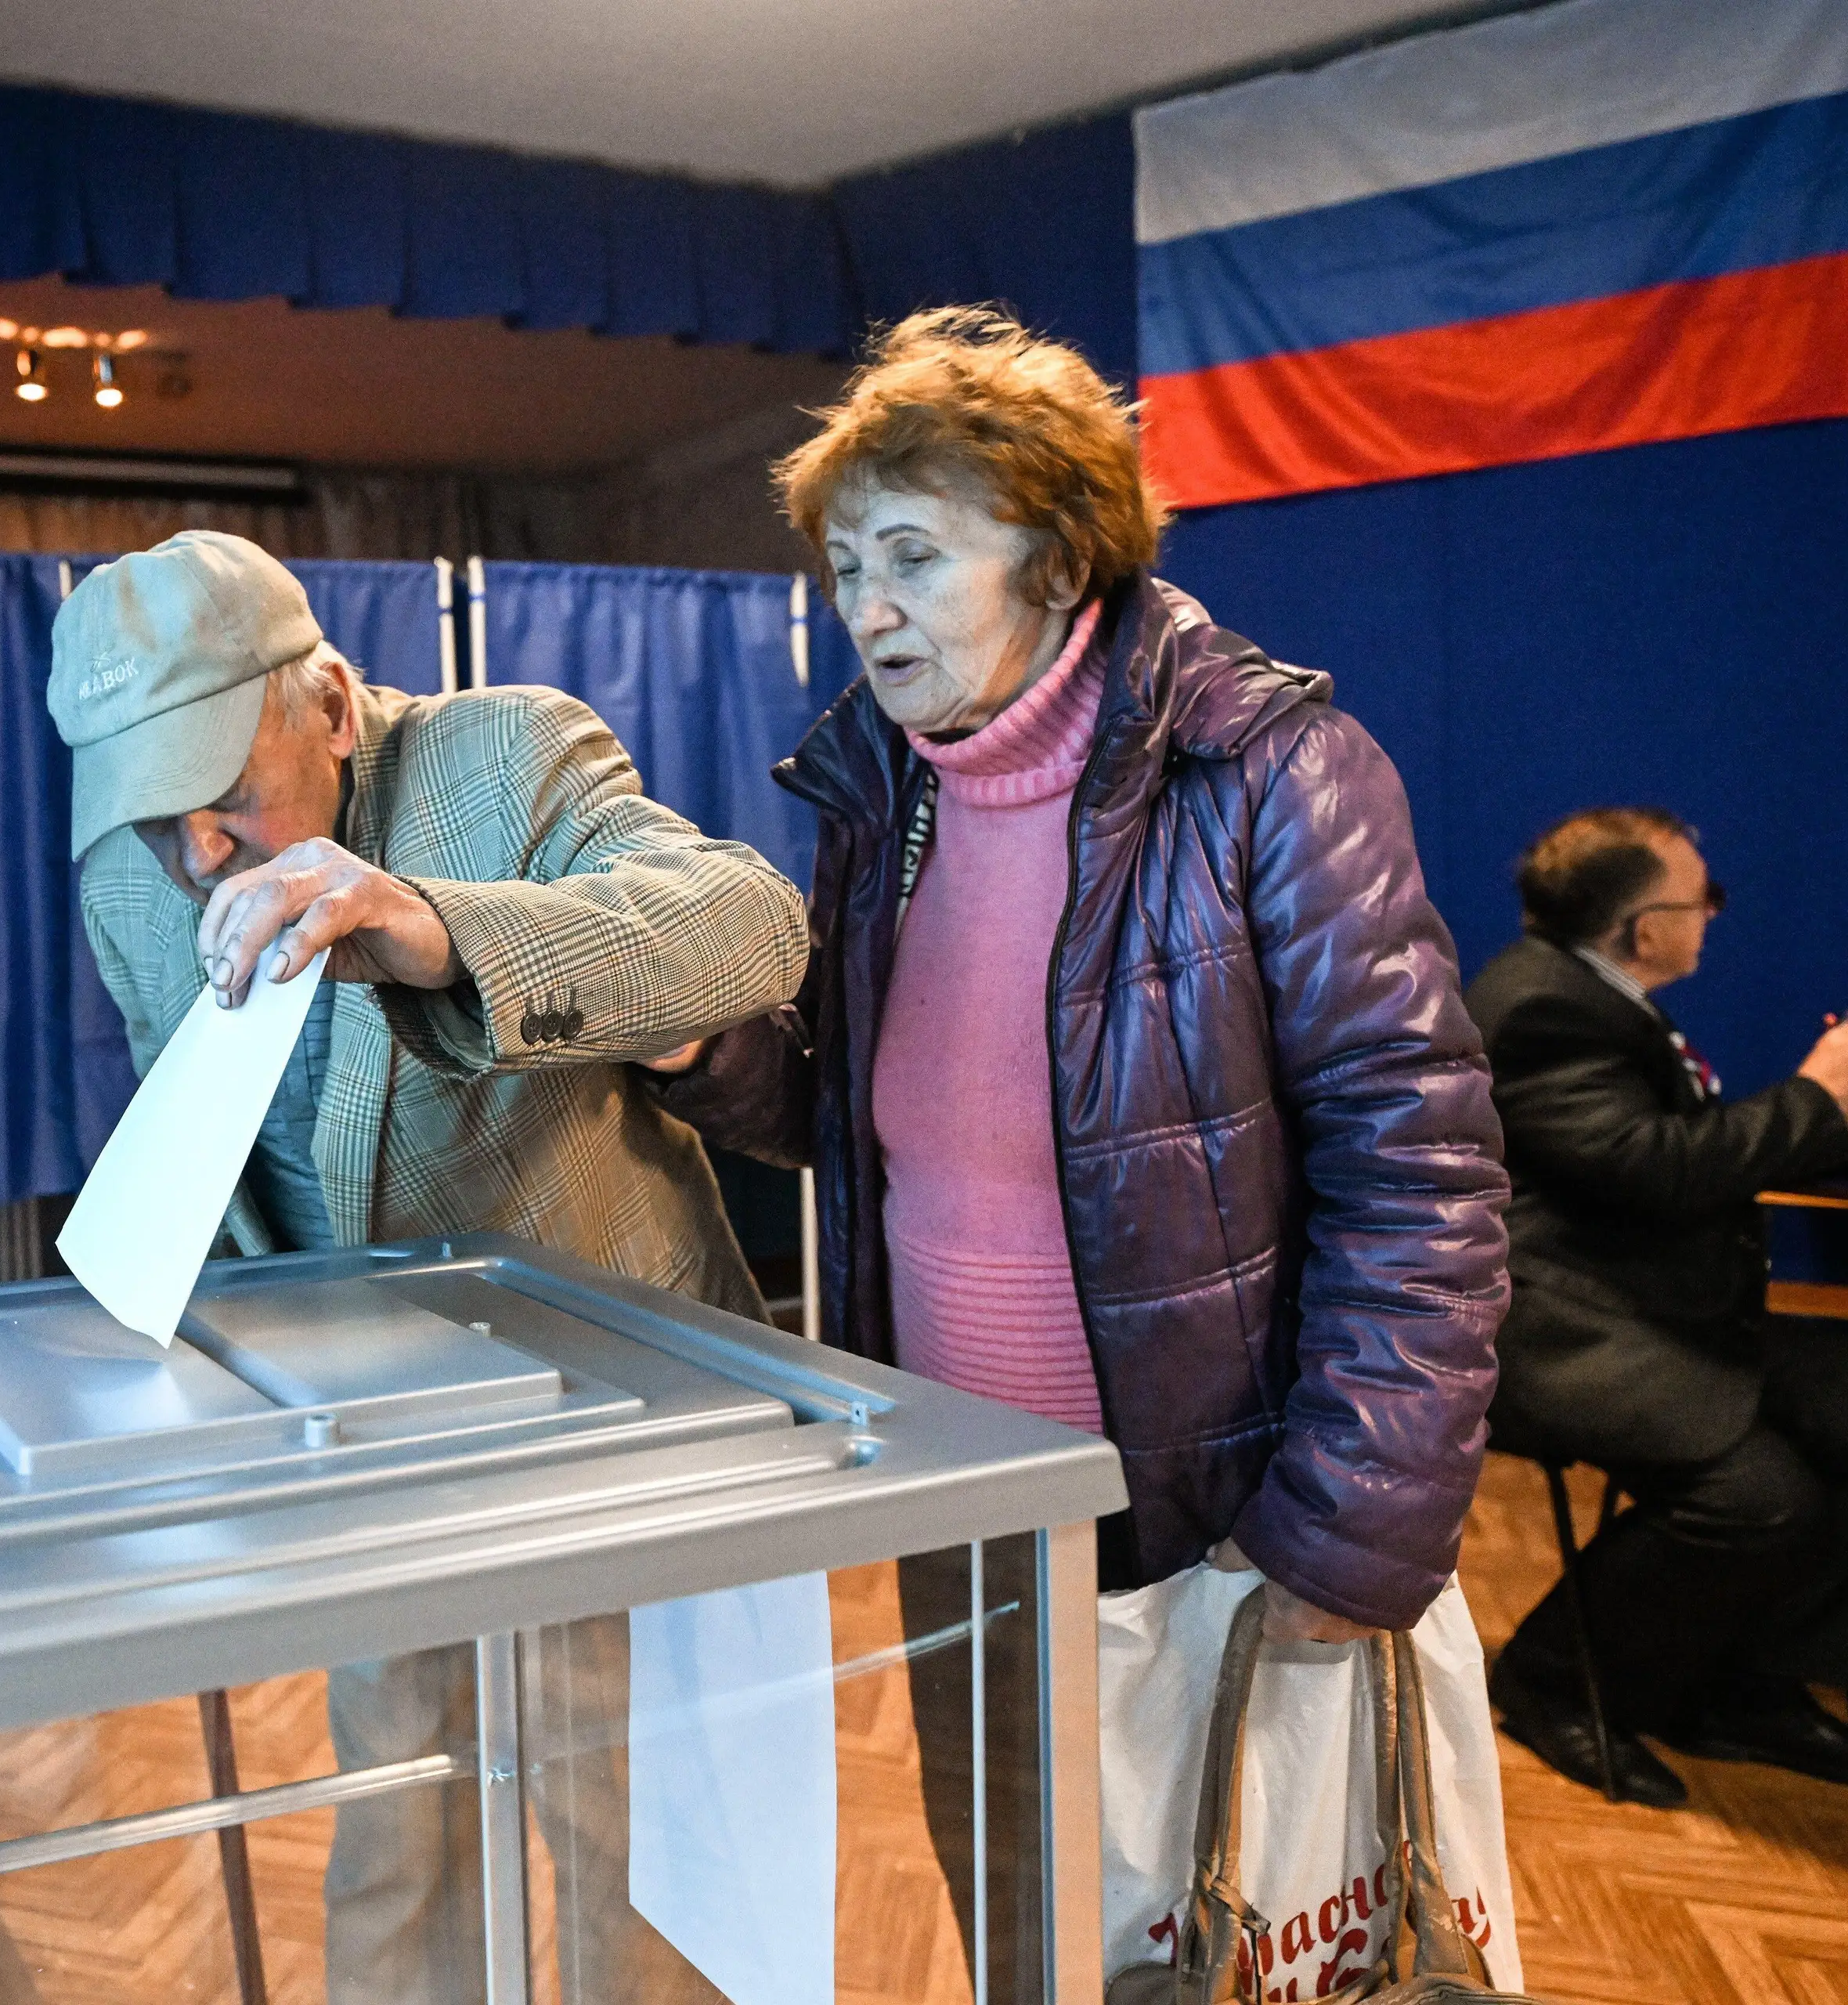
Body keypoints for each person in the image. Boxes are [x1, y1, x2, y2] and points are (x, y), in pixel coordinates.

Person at [659, 306, 1511, 1992]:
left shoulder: (1273, 770)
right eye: (844, 566)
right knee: (1032, 1938)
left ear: (1057, 558)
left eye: (913, 554)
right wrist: (692, 1041)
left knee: (1223, 1945)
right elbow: (863, 1121)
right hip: (964, 1500)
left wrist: (1350, 1527)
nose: (869, 609)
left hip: (1213, 1522)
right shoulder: (880, 804)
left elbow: (1422, 1170)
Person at [50, 529, 807, 2003]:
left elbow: (750, 934)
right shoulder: (127, 887)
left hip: (621, 1428)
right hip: (373, 1456)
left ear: (330, 704)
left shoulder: (511, 761)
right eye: (154, 817)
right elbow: (202, 1155)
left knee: (631, 1870)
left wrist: (438, 928)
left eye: (223, 797)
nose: (197, 855)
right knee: (402, 1838)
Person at [1469, 807, 1848, 1804]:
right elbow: (1651, 1169)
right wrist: (1822, 1098)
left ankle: (1747, 1681)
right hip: (1563, 1331)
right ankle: (1549, 1678)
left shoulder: (1599, 993)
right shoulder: (1536, 1005)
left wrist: (1847, 1119)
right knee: (1760, 1498)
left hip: (1662, 1307)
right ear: (1643, 928)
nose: (1713, 915)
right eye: (1703, 900)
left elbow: (1674, 1152)